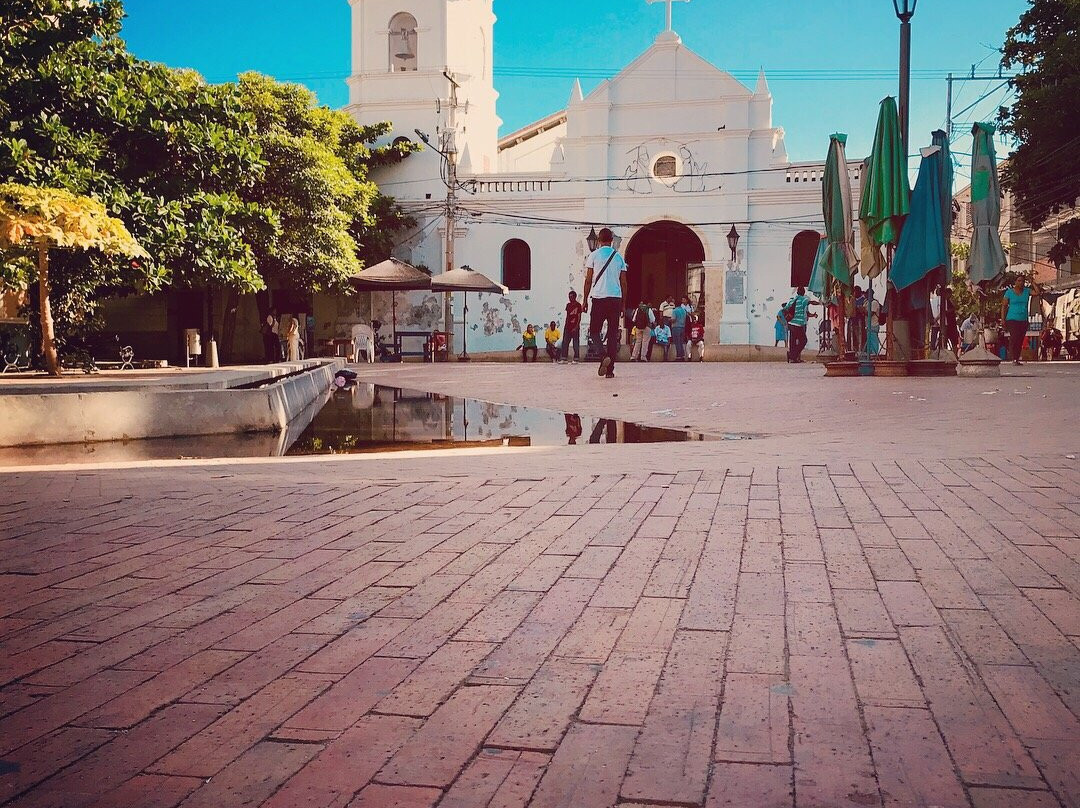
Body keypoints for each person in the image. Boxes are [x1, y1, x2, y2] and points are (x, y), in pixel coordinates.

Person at [582, 227, 627, 379]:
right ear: (612, 240)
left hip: (599, 298)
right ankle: (610, 370)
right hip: (615, 298)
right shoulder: (619, 257)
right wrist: (623, 304)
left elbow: (588, 280)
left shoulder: (594, 256)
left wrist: (584, 300)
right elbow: (624, 283)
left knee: (594, 331)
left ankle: (602, 355)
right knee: (613, 334)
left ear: (599, 241)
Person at [1001, 275, 1041, 364]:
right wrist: (1003, 319)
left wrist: (1032, 282)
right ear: (1015, 282)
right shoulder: (1009, 292)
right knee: (1014, 337)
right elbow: (1004, 306)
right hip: (1012, 319)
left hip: (1023, 319)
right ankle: (1013, 356)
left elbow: (1037, 292)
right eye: (1018, 281)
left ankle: (1016, 358)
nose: (1021, 283)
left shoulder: (1027, 291)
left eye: (1022, 281)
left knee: (1020, 339)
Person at [784, 286, 817, 363]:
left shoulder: (792, 300)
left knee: (793, 341)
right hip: (798, 324)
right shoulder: (803, 299)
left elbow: (785, 307)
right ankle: (792, 355)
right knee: (803, 341)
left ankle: (792, 358)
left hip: (790, 323)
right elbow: (811, 302)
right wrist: (820, 303)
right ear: (804, 292)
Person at [560, 291, 583, 363]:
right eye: (569, 297)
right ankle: (564, 358)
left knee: (575, 343)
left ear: (575, 297)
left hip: (575, 326)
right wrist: (566, 325)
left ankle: (576, 358)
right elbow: (567, 316)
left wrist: (576, 326)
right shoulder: (568, 305)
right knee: (565, 342)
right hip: (568, 326)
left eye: (572, 297)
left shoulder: (578, 305)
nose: (570, 298)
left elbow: (579, 317)